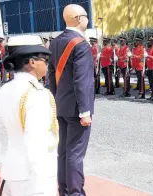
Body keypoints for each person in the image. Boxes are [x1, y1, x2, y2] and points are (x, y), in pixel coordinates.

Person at [0, 35, 57, 195]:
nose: (47, 64)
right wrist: (41, 185)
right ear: (32, 62)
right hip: (34, 180)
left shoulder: (6, 89)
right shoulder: (37, 94)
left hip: (11, 173)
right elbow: (36, 141)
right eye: (45, 59)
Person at [48, 4, 94, 196]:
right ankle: (76, 193)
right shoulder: (80, 44)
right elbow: (81, 80)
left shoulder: (56, 42)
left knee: (64, 153)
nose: (87, 19)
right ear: (77, 19)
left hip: (61, 105)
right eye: (85, 16)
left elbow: (52, 76)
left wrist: (57, 100)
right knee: (75, 153)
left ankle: (64, 191)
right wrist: (85, 111)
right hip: (77, 109)